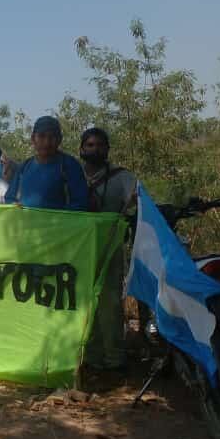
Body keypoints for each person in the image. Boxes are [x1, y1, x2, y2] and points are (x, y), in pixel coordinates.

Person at [80, 127, 138, 372]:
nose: (95, 149)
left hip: (110, 249)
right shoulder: (72, 175)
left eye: (100, 145)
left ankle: (114, 358)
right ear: (81, 149)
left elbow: (138, 202)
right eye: (90, 145)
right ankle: (90, 357)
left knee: (110, 303)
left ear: (108, 149)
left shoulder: (122, 177)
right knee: (82, 302)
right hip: (79, 250)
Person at [5, 116, 88, 210]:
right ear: (33, 138)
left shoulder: (69, 166)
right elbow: (9, 198)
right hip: (26, 223)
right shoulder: (24, 167)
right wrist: (13, 205)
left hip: (59, 224)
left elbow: (80, 204)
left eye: (52, 137)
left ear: (60, 139)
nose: (47, 142)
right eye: (41, 136)